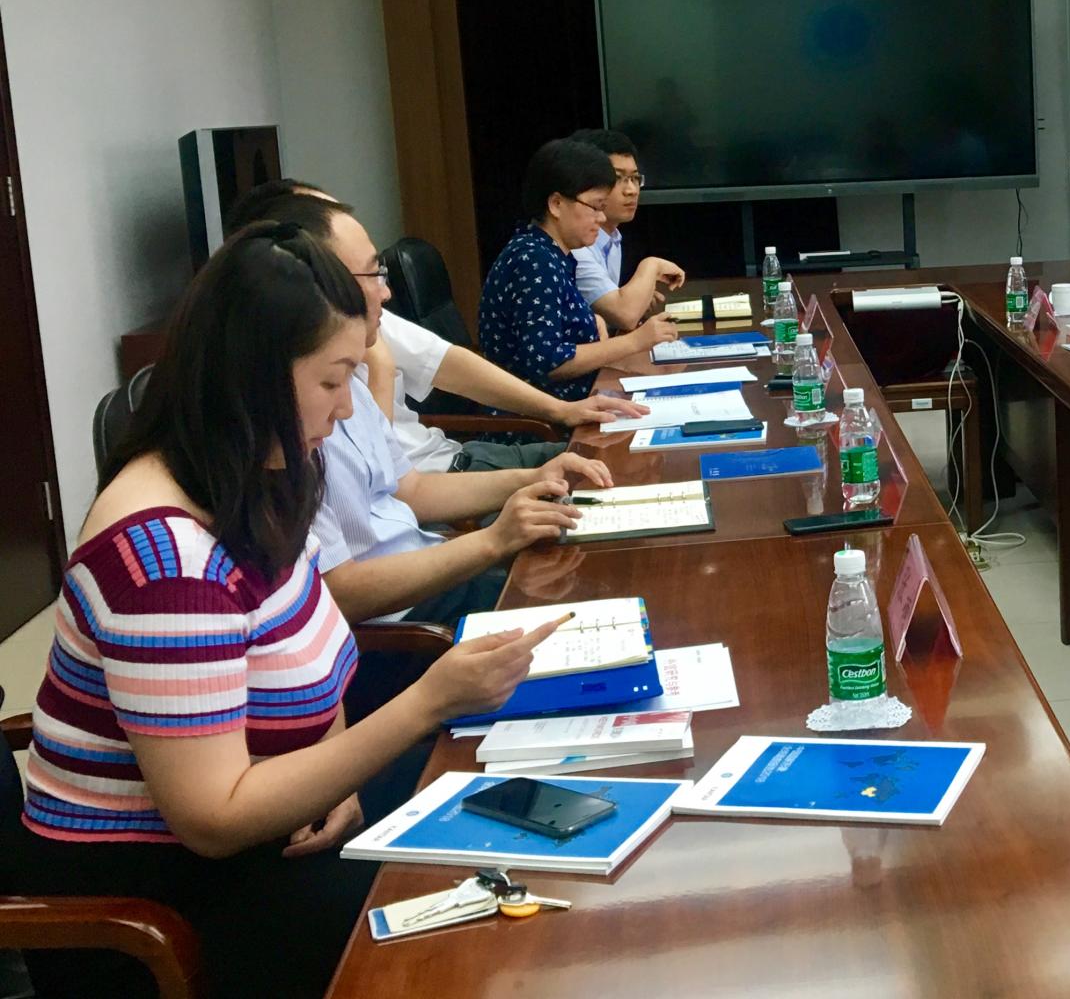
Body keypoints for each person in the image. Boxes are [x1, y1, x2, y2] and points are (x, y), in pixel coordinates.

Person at [3, 223, 564, 999]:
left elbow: (309, 646)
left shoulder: (256, 478)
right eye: (333, 381)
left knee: (505, 809)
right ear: (257, 377)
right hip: (168, 902)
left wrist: (335, 770)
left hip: (277, 832)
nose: (346, 408)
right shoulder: (165, 561)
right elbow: (213, 819)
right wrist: (425, 704)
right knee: (481, 927)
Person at [225, 190, 601, 627]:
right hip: (407, 620)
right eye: (373, 273)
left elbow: (412, 489)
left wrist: (534, 478)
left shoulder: (352, 372)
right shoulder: (280, 422)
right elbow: (339, 592)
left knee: (590, 565)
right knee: (588, 596)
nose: (386, 292)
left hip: (431, 569)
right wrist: (493, 542)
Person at [226, 177, 647, 472]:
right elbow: (379, 493)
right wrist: (381, 367)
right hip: (436, 488)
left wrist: (561, 411)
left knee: (622, 457)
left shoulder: (368, 312)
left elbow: (448, 362)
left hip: (451, 460)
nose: (384, 291)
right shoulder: (290, 380)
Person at [479, 139, 679, 403]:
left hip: (576, 401)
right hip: (541, 417)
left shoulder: (552, 252)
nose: (601, 218)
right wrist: (635, 341)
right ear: (556, 204)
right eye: (595, 207)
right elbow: (549, 362)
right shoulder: (534, 260)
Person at [567, 127, 686, 333]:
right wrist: (652, 265)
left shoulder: (612, 237)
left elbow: (616, 312)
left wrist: (636, 298)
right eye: (618, 179)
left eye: (635, 179)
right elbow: (625, 315)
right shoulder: (575, 245)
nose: (631, 190)